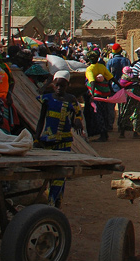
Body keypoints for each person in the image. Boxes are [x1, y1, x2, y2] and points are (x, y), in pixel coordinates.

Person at [35, 71, 86, 208]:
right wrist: (36, 138)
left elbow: (78, 115)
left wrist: (77, 120)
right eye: (57, 85)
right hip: (48, 141)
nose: (59, 88)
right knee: (50, 173)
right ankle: (52, 200)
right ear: (53, 84)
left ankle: (54, 203)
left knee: (60, 175)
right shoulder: (46, 99)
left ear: (67, 86)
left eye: (62, 86)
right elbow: (41, 120)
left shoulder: (71, 99)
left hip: (64, 142)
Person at [84, 51, 115, 142]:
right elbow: (111, 77)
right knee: (104, 113)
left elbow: (92, 81)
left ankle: (102, 135)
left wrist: (92, 95)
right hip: (104, 95)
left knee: (98, 115)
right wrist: (120, 86)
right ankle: (105, 133)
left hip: (96, 96)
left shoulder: (90, 69)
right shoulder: (102, 67)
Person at [105, 43, 131, 132]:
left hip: (113, 88)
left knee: (111, 108)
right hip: (124, 87)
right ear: (120, 51)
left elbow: (107, 76)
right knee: (122, 108)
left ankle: (110, 125)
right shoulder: (126, 61)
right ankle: (122, 126)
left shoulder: (110, 62)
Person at [115, 66, 140, 138]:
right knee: (136, 113)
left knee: (125, 113)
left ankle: (122, 133)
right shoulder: (134, 78)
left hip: (126, 96)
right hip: (135, 95)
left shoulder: (124, 77)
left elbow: (122, 85)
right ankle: (135, 133)